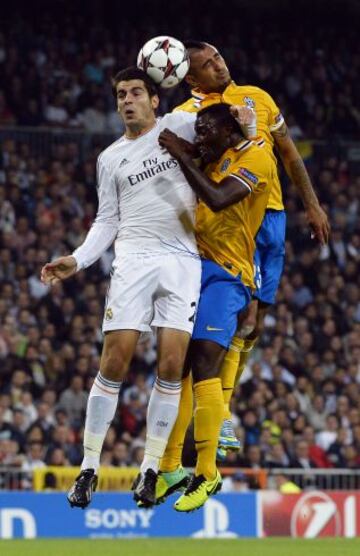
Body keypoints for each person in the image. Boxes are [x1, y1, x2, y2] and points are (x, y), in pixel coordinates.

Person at [159, 40, 330, 472]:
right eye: (208, 64)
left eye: (218, 57)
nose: (220, 65)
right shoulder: (192, 115)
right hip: (240, 224)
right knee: (244, 316)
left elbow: (288, 154)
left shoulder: (259, 97)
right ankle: (222, 417)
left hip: (274, 218)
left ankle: (221, 411)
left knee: (257, 325)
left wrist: (311, 203)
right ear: (191, 77)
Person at [41, 67, 202, 508]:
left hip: (184, 260)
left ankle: (150, 470)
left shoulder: (180, 124)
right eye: (120, 94)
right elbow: (106, 219)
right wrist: (78, 258)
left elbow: (221, 114)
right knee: (114, 360)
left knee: (172, 365)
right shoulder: (109, 158)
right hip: (133, 259)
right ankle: (88, 467)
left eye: (135, 92)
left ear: (155, 99)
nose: (126, 100)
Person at [157, 102, 274, 511]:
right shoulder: (216, 154)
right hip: (197, 269)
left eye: (206, 130)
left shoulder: (256, 155)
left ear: (229, 131)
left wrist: (179, 153)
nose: (200, 137)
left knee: (205, 362)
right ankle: (171, 466)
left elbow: (221, 197)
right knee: (185, 367)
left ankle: (206, 472)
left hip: (228, 274)